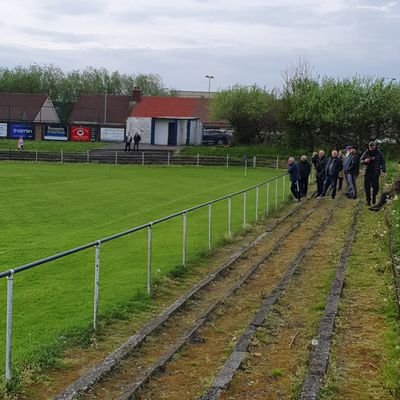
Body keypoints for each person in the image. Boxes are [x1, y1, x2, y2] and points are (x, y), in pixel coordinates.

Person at [360, 141, 386, 206]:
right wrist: (364, 161)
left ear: (375, 146)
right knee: (367, 187)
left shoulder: (379, 153)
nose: (371, 147)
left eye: (373, 146)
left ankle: (374, 196)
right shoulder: (366, 152)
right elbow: (360, 161)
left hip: (375, 172)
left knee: (376, 187)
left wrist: (384, 170)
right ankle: (368, 200)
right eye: (370, 146)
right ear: (369, 146)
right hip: (367, 172)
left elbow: (383, 162)